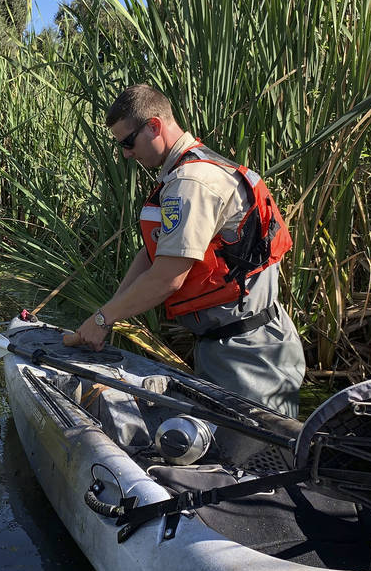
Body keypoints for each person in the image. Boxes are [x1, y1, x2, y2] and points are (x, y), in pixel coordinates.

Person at [64, 85, 305, 417]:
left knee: (252, 459)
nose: (125, 154)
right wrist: (104, 317)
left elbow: (167, 278)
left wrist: (105, 318)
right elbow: (152, 257)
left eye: (127, 142)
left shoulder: (191, 184)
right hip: (228, 344)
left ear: (154, 126)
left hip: (248, 354)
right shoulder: (186, 173)